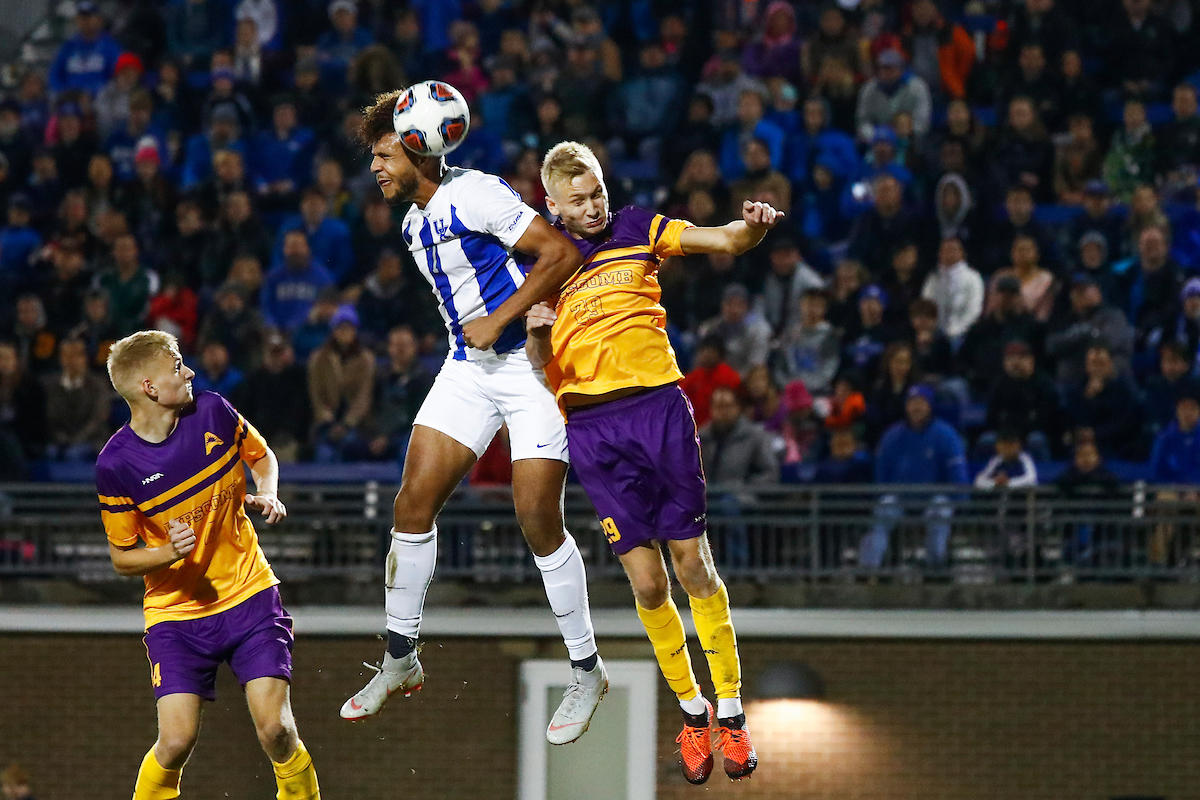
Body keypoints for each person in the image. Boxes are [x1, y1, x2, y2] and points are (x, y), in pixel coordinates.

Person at [342, 88, 606, 746]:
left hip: (531, 370)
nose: (374, 168)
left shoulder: (477, 193)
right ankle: (402, 658)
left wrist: (501, 318)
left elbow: (560, 254)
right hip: (469, 369)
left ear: (415, 144)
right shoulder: (409, 224)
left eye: (380, 154)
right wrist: (481, 332)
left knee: (537, 518)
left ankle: (588, 670)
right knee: (411, 504)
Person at [526, 139, 782, 783]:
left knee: (692, 562)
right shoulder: (545, 262)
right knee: (646, 584)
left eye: (598, 193)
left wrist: (748, 230)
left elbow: (721, 241)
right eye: (578, 200)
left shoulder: (638, 227)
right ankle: (693, 715)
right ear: (551, 206)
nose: (593, 207)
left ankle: (730, 709)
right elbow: (539, 370)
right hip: (590, 427)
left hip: (658, 411)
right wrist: (533, 330)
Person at [95, 331, 319, 799]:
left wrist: (270, 491)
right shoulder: (115, 464)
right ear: (150, 388)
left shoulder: (214, 410)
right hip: (177, 615)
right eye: (178, 366)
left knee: (276, 729)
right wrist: (168, 553)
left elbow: (262, 457)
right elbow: (121, 557)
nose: (190, 371)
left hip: (249, 594)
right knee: (176, 742)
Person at [860, 385, 968, 569]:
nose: (916, 407)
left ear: (930, 406)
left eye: (921, 403)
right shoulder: (892, 435)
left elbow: (956, 473)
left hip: (933, 498)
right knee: (884, 508)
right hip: (900, 498)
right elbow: (881, 472)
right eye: (912, 403)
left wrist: (961, 502)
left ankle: (935, 567)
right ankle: (870, 570)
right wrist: (880, 496)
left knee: (940, 509)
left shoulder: (945, 434)